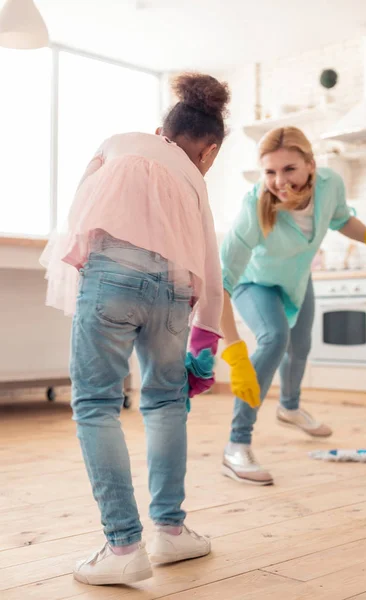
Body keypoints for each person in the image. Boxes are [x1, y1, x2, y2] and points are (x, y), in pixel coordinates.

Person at [40, 73, 233, 586]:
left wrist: (89, 278)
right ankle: (170, 532)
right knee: (167, 401)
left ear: (160, 130)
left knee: (96, 403)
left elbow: (80, 211)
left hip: (111, 277)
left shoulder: (119, 144)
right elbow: (211, 273)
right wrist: (205, 346)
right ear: (209, 151)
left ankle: (124, 544)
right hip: (174, 290)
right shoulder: (196, 181)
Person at [219, 126, 366, 486]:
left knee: (301, 346)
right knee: (274, 339)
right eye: (269, 171)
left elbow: (340, 218)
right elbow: (221, 281)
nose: (278, 180)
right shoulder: (253, 208)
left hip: (296, 281)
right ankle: (236, 444)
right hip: (253, 283)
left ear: (310, 165)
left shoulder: (330, 184)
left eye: (289, 169)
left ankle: (289, 406)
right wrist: (234, 352)